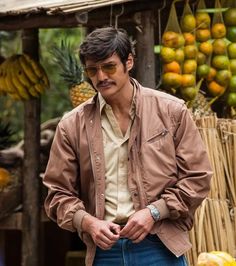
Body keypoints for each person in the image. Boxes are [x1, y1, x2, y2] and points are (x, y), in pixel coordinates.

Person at [43, 27, 212, 266]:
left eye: (109, 66)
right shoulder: (71, 125)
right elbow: (57, 194)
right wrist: (89, 223)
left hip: (160, 244)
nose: (101, 77)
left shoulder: (171, 111)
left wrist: (154, 212)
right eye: (93, 70)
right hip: (104, 251)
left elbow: (198, 177)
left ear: (129, 61)